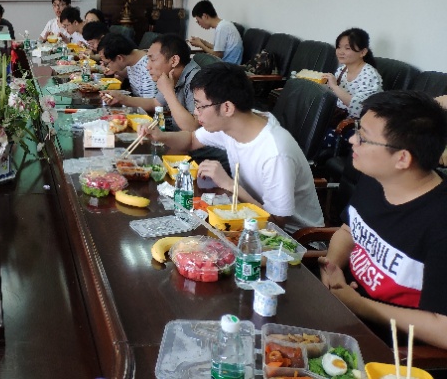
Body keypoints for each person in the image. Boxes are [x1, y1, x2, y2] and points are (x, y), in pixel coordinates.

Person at [318, 91, 447, 349]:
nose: (352, 140)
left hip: (390, 347)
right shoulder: (377, 177)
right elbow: (348, 231)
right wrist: (332, 268)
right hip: (342, 309)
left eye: (363, 137)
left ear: (402, 158)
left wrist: (358, 304)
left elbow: (443, 329)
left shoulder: (440, 223)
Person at [141, 62, 324, 232]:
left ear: (227, 108)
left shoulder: (275, 153)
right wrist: (160, 136)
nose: (196, 112)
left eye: (200, 106)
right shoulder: (237, 122)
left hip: (292, 240)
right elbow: (191, 139)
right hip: (245, 216)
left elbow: (275, 222)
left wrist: (229, 184)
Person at [106, 34, 200, 131]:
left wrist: (168, 92)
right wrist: (121, 98)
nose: (148, 67)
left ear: (174, 60)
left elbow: (193, 128)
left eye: (152, 59)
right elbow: (155, 103)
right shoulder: (170, 76)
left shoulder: (197, 80)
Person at [324, 27, 383, 119]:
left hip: (353, 123)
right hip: (336, 116)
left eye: (347, 48)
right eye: (339, 47)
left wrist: (335, 87)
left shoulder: (370, 75)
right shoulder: (342, 70)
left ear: (363, 52)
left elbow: (360, 108)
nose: (340, 52)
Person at [97, 33, 157, 99]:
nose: (107, 66)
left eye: (107, 63)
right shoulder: (131, 59)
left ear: (119, 58)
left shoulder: (148, 68)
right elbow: (132, 73)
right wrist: (116, 71)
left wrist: (122, 99)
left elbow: (151, 102)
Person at [188, 0, 243, 64]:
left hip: (228, 66)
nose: (199, 24)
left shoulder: (222, 28)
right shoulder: (223, 25)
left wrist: (201, 45)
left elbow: (217, 55)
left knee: (197, 58)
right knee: (197, 59)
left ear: (205, 16)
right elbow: (218, 49)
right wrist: (203, 42)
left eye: (198, 21)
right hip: (226, 63)